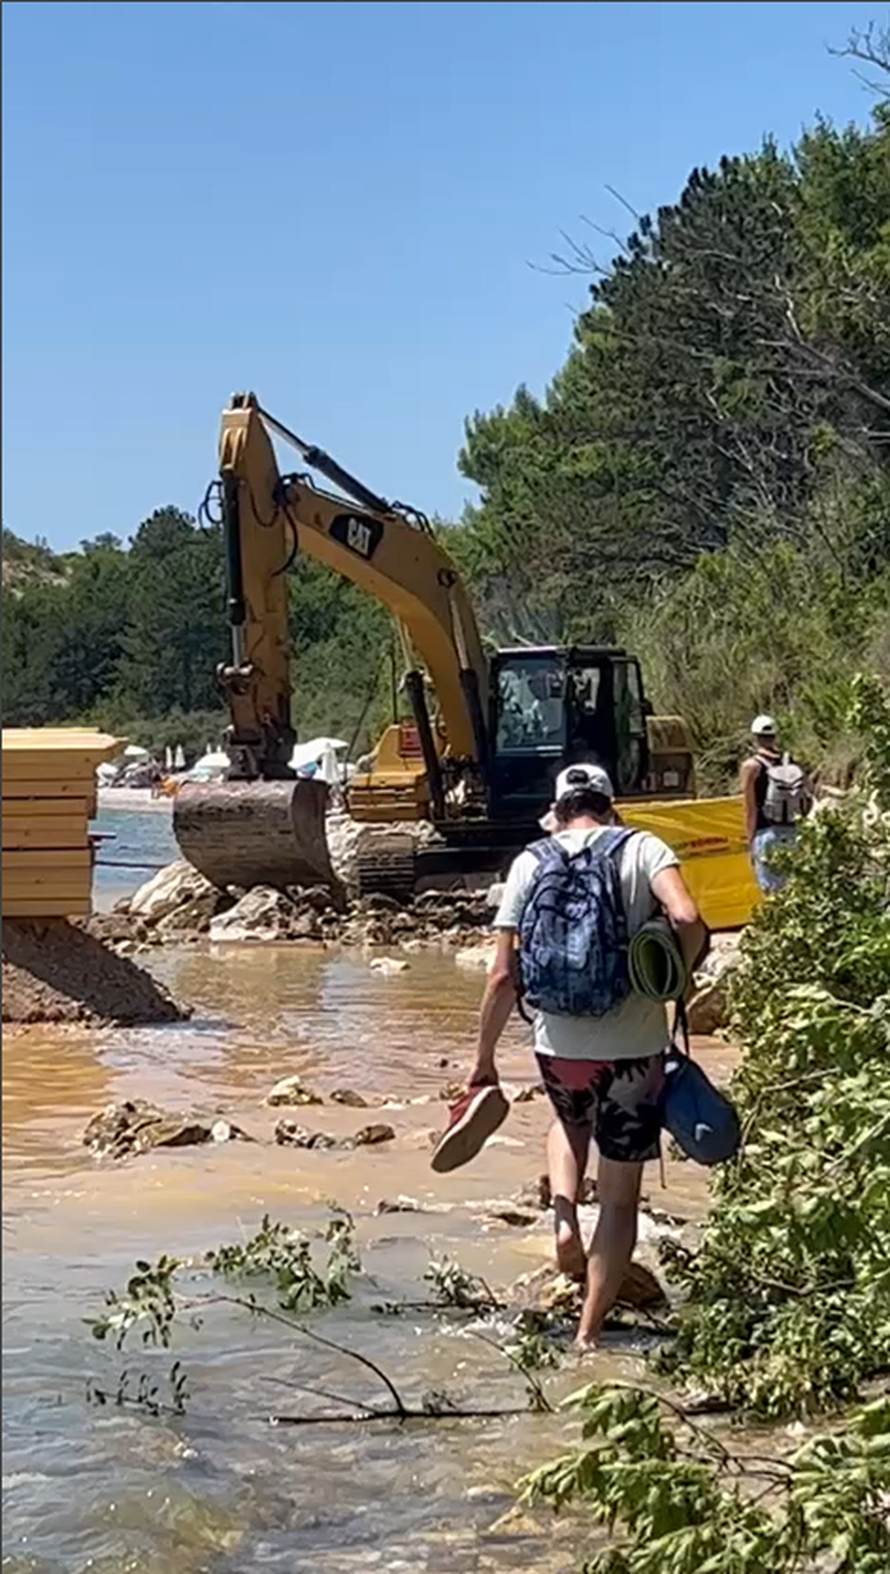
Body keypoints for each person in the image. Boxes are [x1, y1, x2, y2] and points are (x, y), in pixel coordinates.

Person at [432, 763, 705, 1352]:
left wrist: (483, 1061)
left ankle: (562, 1223)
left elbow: (504, 974)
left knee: (567, 1120)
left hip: (558, 1046)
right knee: (619, 1197)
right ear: (611, 805)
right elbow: (687, 918)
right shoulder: (644, 847)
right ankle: (587, 1336)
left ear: (557, 809)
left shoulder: (529, 861)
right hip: (634, 1047)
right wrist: (672, 977)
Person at [741, 716, 810, 894]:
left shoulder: (751, 767)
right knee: (795, 890)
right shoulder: (791, 762)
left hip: (767, 834)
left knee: (773, 894)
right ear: (775, 736)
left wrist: (750, 843)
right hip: (793, 832)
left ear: (755, 737)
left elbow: (750, 810)